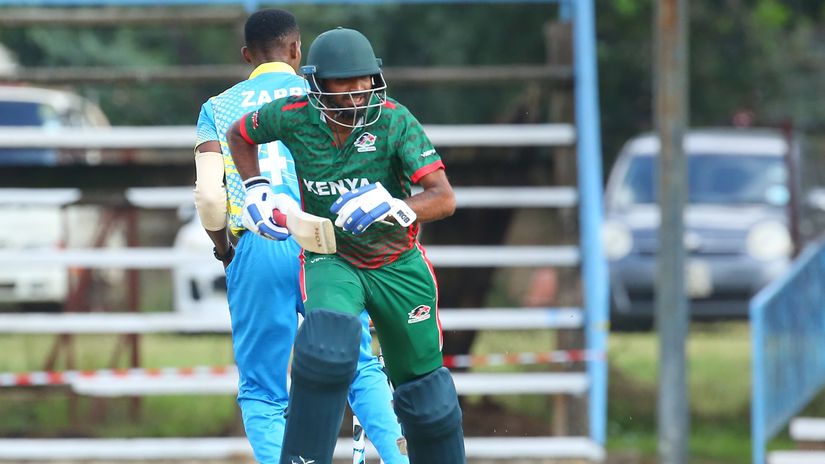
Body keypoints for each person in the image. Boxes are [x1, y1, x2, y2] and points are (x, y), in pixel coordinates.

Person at [226, 26, 466, 464]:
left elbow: (444, 197)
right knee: (326, 348)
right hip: (332, 256)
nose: (359, 92)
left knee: (426, 395)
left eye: (366, 80)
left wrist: (397, 205)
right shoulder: (294, 114)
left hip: (396, 261)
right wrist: (256, 186)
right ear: (316, 83)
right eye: (345, 82)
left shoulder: (394, 119)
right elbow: (239, 134)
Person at [193, 11, 407, 463]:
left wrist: (224, 250)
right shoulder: (321, 95)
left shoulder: (217, 107)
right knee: (359, 363)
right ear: (297, 50)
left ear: (247, 56)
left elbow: (210, 198)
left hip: (257, 240)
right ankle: (398, 456)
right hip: (326, 240)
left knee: (263, 391)